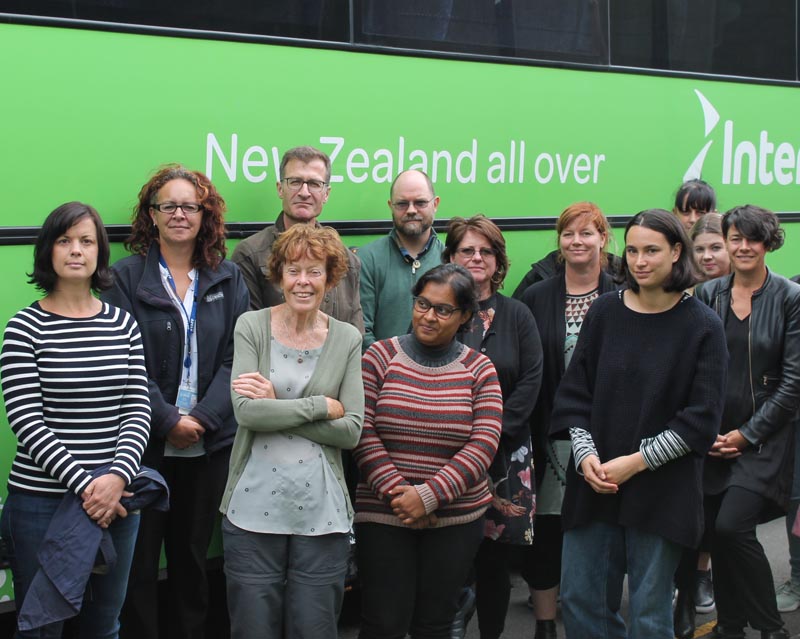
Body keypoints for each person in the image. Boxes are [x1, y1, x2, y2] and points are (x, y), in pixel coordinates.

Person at [551, 209, 727, 639]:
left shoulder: (703, 326)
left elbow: (700, 420)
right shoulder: (605, 312)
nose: (639, 260)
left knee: (649, 614)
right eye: (632, 250)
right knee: (581, 601)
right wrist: (586, 456)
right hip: (595, 484)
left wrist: (635, 462)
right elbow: (576, 394)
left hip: (662, 489)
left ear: (676, 252)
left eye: (652, 250)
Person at [101, 165, 250, 639]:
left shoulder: (228, 279)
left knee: (191, 555)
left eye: (191, 206)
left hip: (208, 445)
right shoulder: (123, 279)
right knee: (140, 560)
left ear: (205, 215)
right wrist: (167, 420)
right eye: (170, 206)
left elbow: (239, 358)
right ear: (153, 214)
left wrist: (203, 418)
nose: (181, 214)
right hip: (143, 443)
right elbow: (122, 361)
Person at [0, 202, 151, 638]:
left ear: (100, 253)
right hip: (41, 504)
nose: (75, 250)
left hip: (117, 501)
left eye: (86, 241)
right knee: (42, 627)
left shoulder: (122, 324)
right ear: (47, 250)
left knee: (103, 626)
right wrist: (90, 488)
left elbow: (137, 407)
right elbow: (26, 420)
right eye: (64, 240)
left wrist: (118, 478)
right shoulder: (24, 327)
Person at [220, 223, 364, 638]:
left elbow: (351, 430)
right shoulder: (251, 326)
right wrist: (320, 406)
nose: (303, 281)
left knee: (314, 629)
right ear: (278, 275)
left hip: (322, 511)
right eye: (293, 270)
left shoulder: (347, 338)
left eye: (315, 271)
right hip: (251, 509)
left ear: (330, 277)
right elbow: (247, 413)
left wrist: (276, 405)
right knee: (253, 629)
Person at [354, 263, 503, 638]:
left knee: (435, 622)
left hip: (455, 518)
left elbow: (484, 442)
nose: (429, 316)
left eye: (443, 309)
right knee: (383, 621)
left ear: (465, 316)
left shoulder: (480, 369)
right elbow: (362, 430)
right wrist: (400, 495)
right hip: (384, 514)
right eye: (422, 304)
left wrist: (429, 496)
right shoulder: (379, 357)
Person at [695, 205, 800, 639]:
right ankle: (731, 625)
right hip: (714, 435)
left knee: (731, 525)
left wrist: (747, 435)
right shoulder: (708, 295)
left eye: (751, 239)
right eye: (734, 238)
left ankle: (771, 629)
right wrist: (708, 432)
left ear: (768, 242)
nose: (741, 247)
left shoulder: (790, 297)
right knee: (717, 534)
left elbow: (793, 382)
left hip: (766, 438)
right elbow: (696, 369)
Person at [518, 202, 618, 639]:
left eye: (587, 233)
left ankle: (595, 613)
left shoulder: (622, 292)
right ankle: (544, 624)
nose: (577, 242)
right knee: (547, 530)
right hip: (547, 432)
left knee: (598, 530)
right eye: (568, 234)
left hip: (607, 435)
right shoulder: (538, 294)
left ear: (603, 239)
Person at [443, 215, 542, 639]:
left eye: (486, 251)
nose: (477, 258)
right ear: (451, 257)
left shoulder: (519, 314)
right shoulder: (439, 309)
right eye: (467, 250)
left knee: (495, 563)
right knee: (451, 557)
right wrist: (460, 440)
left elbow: (532, 379)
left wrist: (488, 438)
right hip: (447, 455)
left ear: (498, 260)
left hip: (505, 456)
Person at [231, 145, 363, 332]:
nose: (304, 192)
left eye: (314, 184)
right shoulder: (250, 255)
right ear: (280, 189)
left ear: (326, 194)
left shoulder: (348, 261)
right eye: (295, 182)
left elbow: (355, 337)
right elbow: (249, 334)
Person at [358, 169, 445, 351]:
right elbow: (361, 329)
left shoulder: (450, 260)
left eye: (420, 202)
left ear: (435, 204)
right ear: (391, 205)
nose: (411, 210)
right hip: (382, 374)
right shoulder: (366, 259)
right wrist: (393, 368)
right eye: (402, 204)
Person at [691, 212, 731, 281]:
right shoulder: (684, 290)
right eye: (699, 249)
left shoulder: (749, 288)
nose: (706, 256)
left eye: (715, 248)